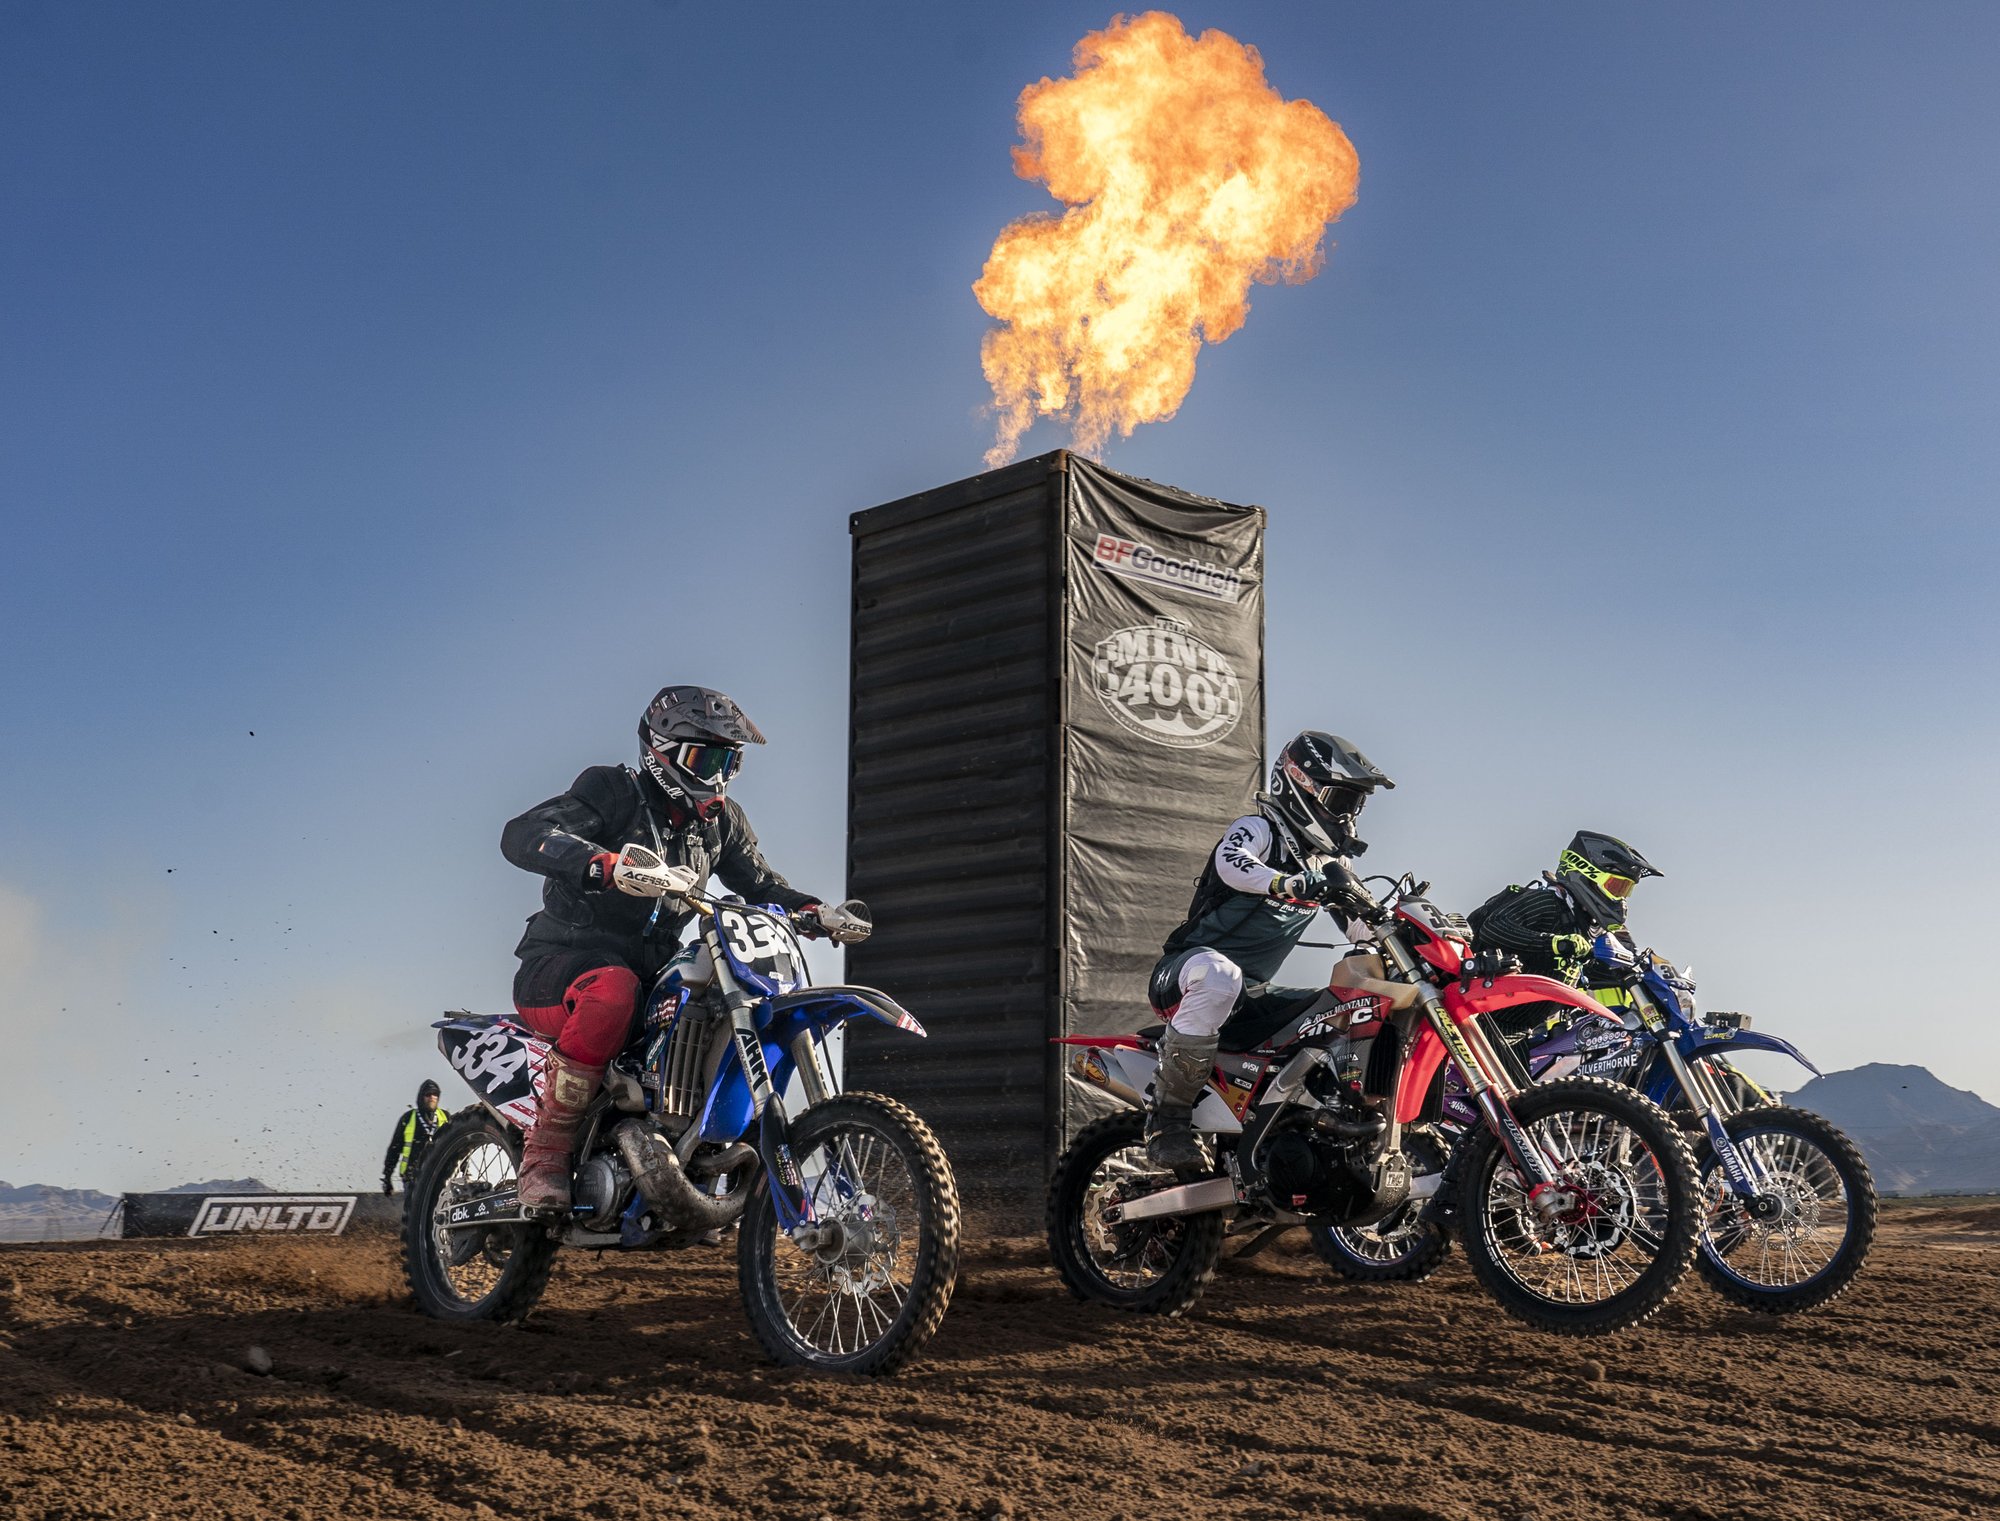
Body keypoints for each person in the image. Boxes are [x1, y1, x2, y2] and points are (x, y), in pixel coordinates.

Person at [499, 685, 859, 1215]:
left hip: (652, 976)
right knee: (613, 991)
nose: (717, 776)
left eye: (728, 762)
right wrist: (603, 864)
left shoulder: (721, 823)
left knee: (709, 999)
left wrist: (813, 910)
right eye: (704, 760)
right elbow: (524, 833)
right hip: (562, 967)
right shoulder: (612, 792)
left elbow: (760, 884)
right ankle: (546, 1150)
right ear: (660, 752)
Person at [1143, 732, 1393, 1171]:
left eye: (1355, 805)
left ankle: (1305, 1126)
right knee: (1221, 975)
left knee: (1350, 1004)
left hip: (1254, 993)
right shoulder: (1260, 830)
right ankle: (1168, 1120)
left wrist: (1397, 932)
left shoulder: (1329, 865)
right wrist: (1284, 882)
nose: (1348, 816)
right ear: (1299, 785)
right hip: (1185, 975)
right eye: (1340, 800)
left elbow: (1359, 928)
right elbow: (1233, 863)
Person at [1466, 830, 1662, 1039]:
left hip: (1519, 1033)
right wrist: (1555, 943)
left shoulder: (1585, 926)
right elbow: (1494, 927)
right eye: (1615, 887)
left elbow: (1593, 969)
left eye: (1625, 890)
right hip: (1481, 1022)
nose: (1620, 899)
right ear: (1587, 874)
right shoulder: (1547, 901)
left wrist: (1643, 975)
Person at [381, 1079, 449, 1195]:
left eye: (435, 1094)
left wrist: (465, 1170)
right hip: (412, 1176)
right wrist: (387, 1177)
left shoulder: (445, 1116)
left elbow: (457, 1142)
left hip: (439, 1175)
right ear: (421, 1097)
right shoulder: (408, 1118)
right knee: (413, 1205)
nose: (432, 1097)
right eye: (428, 1094)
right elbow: (394, 1149)